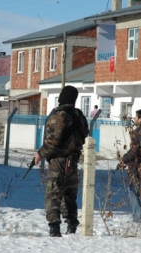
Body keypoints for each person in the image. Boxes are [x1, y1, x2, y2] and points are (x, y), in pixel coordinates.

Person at [33, 85, 89, 237]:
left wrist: (39, 154)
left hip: (58, 161)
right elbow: (85, 134)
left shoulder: (59, 116)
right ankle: (71, 226)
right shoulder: (79, 115)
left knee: (53, 194)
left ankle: (54, 227)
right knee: (70, 196)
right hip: (73, 161)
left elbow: (51, 142)